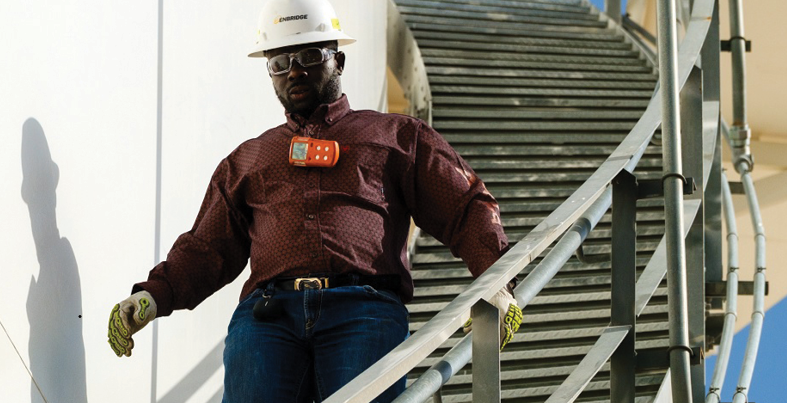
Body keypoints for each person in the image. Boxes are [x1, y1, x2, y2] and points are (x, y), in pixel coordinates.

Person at [107, 0, 521, 401]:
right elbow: (206, 248)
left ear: (338, 60)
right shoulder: (248, 159)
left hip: (363, 309)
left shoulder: (397, 136)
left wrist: (497, 280)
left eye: (308, 54)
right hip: (267, 318)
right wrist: (152, 296)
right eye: (279, 63)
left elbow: (465, 205)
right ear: (269, 74)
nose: (294, 71)